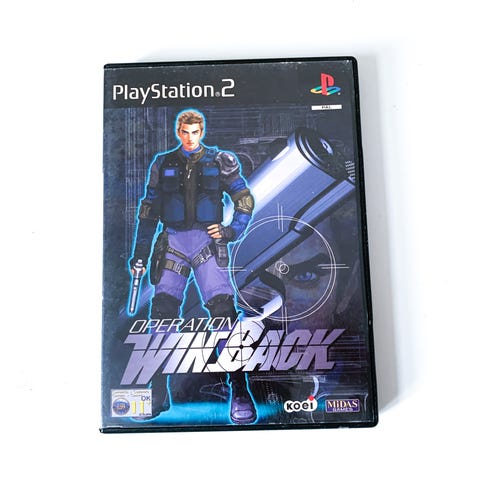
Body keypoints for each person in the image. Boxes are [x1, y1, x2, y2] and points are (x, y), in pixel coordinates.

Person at [130, 109, 256, 424]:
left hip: (206, 242)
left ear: (201, 132)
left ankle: (240, 390)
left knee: (224, 311)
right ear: (178, 131)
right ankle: (158, 391)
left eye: (195, 132)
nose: (190, 137)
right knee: (162, 313)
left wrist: (231, 231)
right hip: (173, 241)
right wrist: (140, 253)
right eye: (185, 132)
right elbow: (148, 210)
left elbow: (244, 200)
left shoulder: (220, 161)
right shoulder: (162, 163)